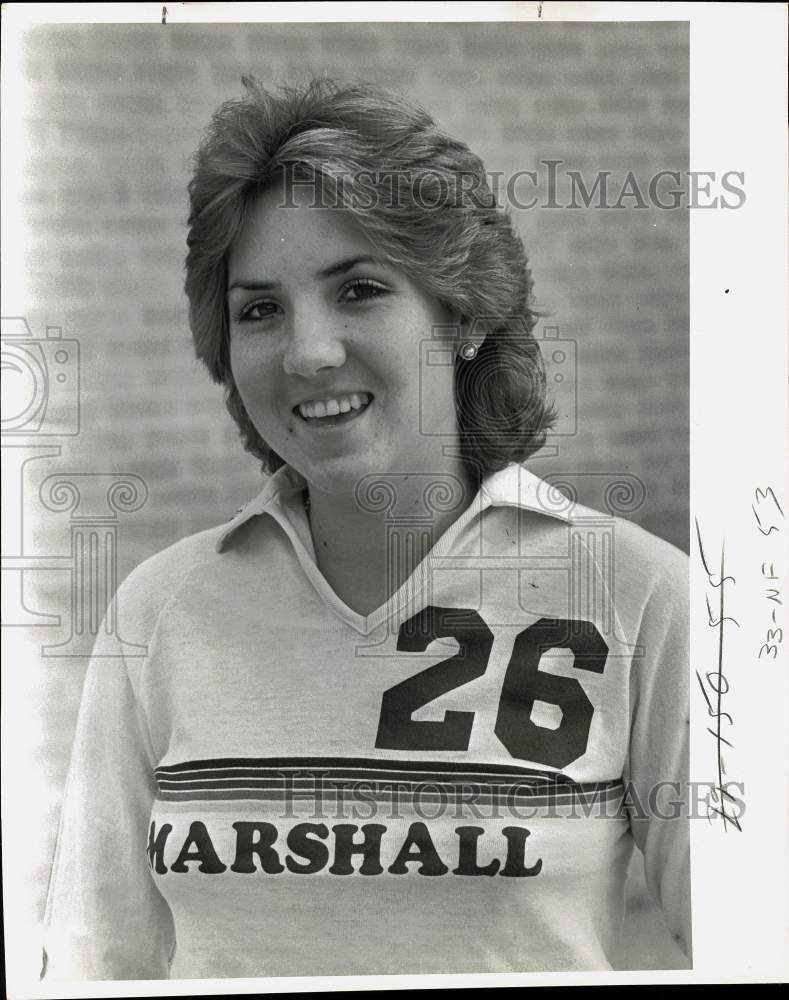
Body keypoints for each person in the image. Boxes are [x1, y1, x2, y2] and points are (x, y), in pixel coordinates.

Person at [42, 77, 691, 979]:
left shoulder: (643, 597)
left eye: (359, 290)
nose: (308, 352)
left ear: (459, 314)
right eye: (259, 309)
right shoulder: (160, 609)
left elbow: (749, 942)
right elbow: (92, 960)